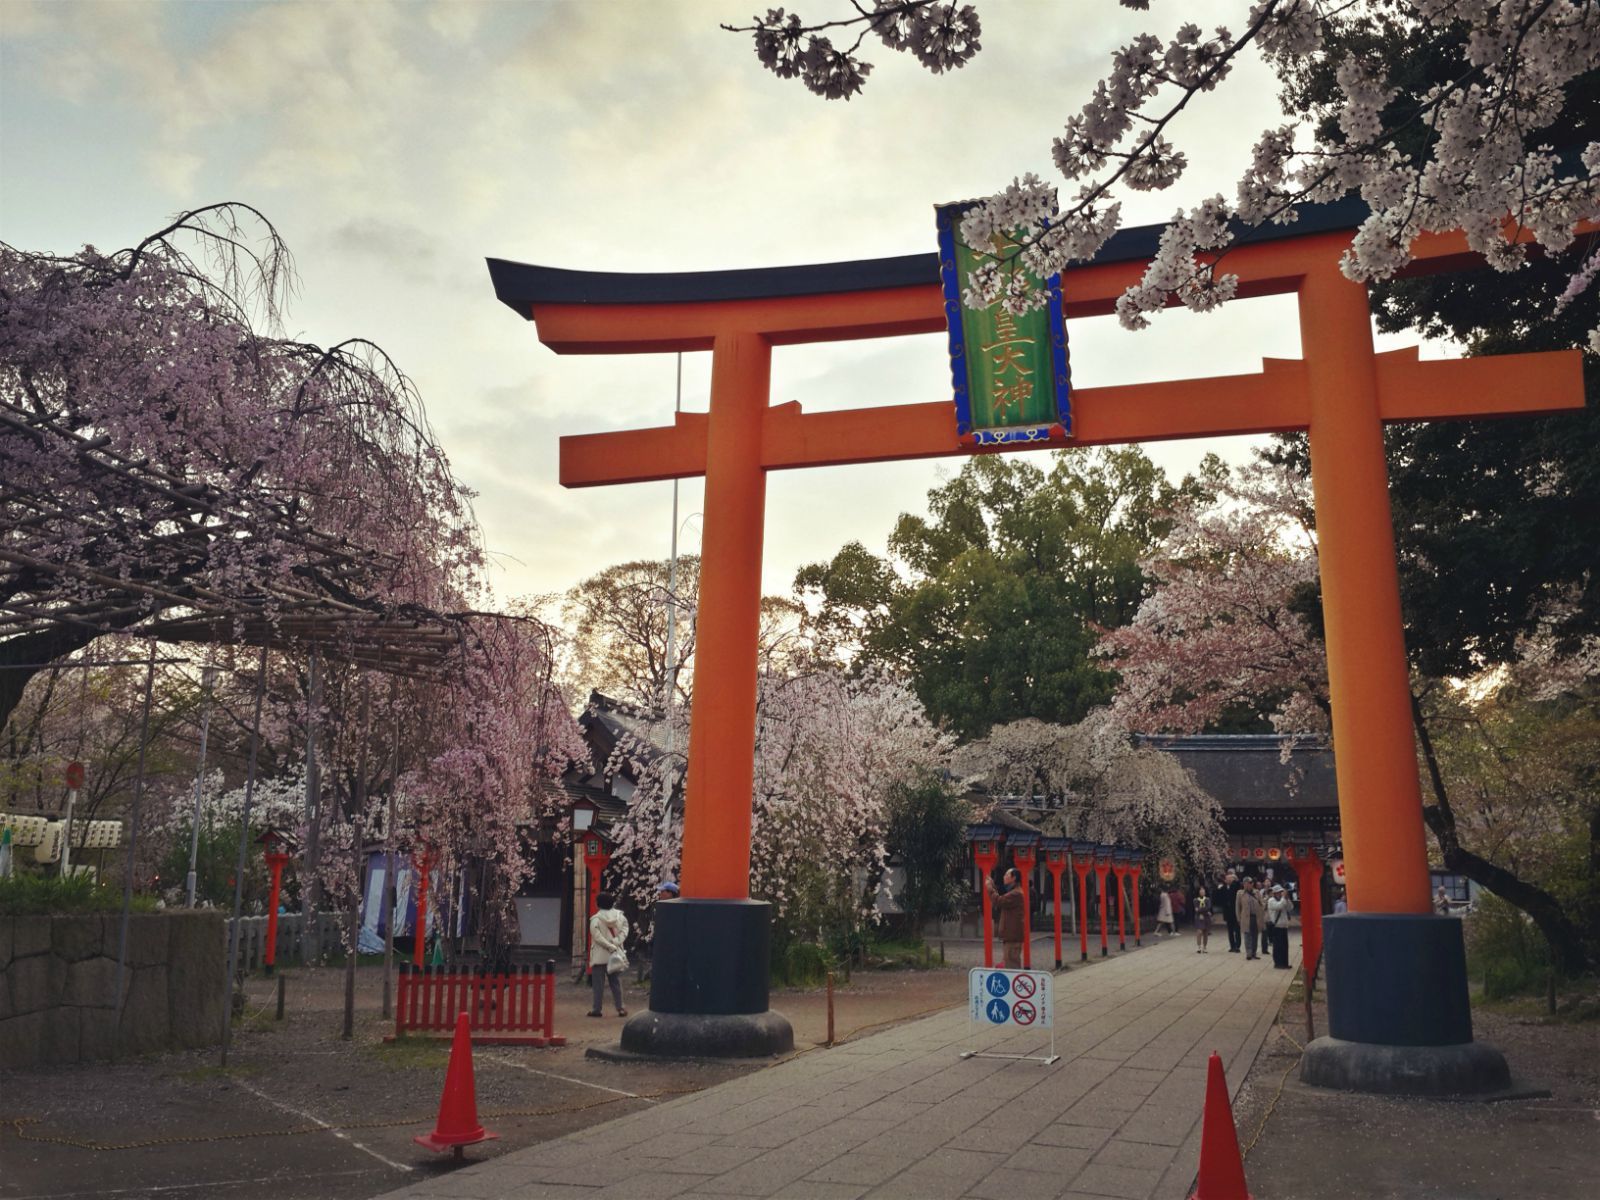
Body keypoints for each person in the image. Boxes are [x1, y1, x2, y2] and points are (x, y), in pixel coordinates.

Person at [587, 891, 629, 1018]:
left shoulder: (595, 919)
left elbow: (597, 937)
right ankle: (620, 1008)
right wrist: (615, 943)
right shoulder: (621, 917)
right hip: (615, 954)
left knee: (598, 984)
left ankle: (597, 1009)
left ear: (598, 904)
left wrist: (608, 946)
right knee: (615, 982)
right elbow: (624, 931)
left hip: (600, 955)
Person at [985, 867, 1026, 967]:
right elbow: (1002, 898)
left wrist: (990, 888)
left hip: (1013, 937)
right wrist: (993, 886)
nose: (1004, 877)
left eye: (1007, 875)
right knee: (1009, 964)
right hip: (1010, 936)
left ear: (1014, 878)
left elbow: (999, 901)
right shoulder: (1014, 892)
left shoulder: (1016, 893)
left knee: (1012, 966)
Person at [1236, 877, 1265, 960]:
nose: (1248, 885)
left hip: (1255, 917)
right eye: (1246, 883)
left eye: (1250, 883)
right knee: (1247, 935)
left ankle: (1254, 953)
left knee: (1255, 935)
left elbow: (1261, 903)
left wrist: (1263, 908)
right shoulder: (1240, 893)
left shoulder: (1257, 892)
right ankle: (1248, 953)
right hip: (1245, 918)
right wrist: (1238, 918)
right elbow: (1237, 907)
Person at [1266, 884, 1293, 968]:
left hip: (1284, 926)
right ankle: (1278, 963)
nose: (1280, 894)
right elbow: (1279, 906)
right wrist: (1283, 898)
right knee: (1278, 947)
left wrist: (1287, 899)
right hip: (1277, 926)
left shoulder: (1283, 900)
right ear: (1274, 893)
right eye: (1279, 892)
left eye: (1281, 892)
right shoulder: (1271, 900)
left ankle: (1285, 963)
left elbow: (1290, 908)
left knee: (1285, 946)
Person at [1215, 872, 1242, 953]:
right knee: (1230, 930)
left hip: (1235, 911)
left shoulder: (1235, 886)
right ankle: (1232, 946)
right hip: (1227, 911)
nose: (1228, 880)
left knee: (1237, 930)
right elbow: (1217, 897)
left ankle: (1237, 945)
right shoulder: (1223, 887)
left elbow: (1238, 884)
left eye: (1230, 878)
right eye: (1227, 879)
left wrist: (1236, 879)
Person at [1194, 887, 1212, 953]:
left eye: (1203, 890)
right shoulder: (1195, 900)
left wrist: (1200, 910)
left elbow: (1208, 907)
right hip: (1199, 917)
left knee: (1205, 933)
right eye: (1201, 890)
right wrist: (1204, 910)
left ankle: (1205, 947)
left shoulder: (1207, 899)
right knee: (1199, 932)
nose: (1202, 892)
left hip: (1206, 917)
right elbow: (1196, 909)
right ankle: (1199, 946)